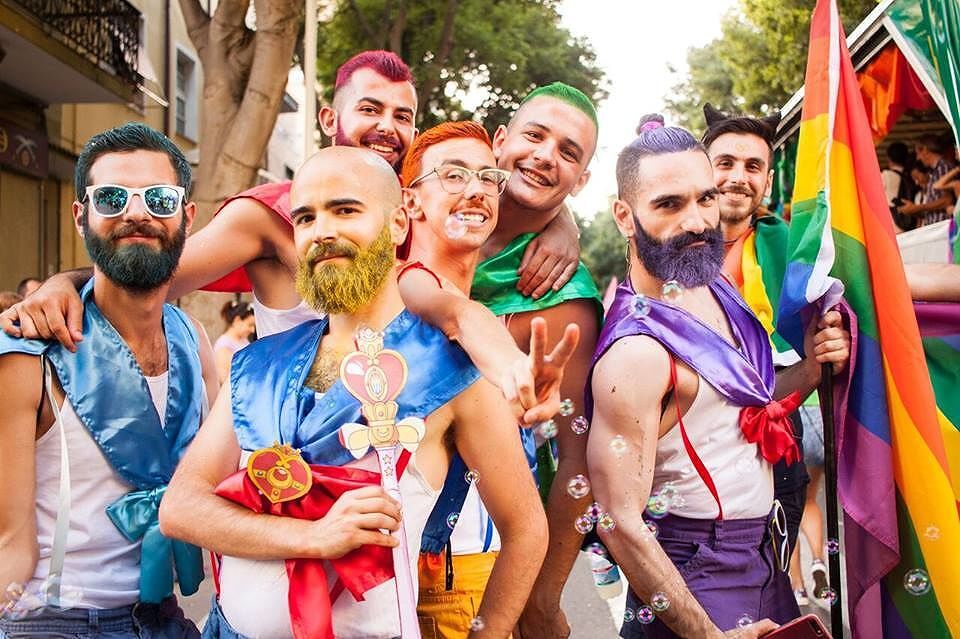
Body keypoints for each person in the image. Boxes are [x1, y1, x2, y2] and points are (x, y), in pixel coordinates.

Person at [0, 50, 576, 426]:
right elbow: (155, 272)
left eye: (404, 116)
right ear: (329, 119)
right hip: (288, 440)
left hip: (391, 441)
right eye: (370, 108)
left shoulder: (404, 216)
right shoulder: (269, 214)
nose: (387, 127)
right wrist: (62, 282)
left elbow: (478, 221)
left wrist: (561, 218)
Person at [158, 146, 547, 639]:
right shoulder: (257, 364)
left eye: (345, 210)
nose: (322, 231)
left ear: (399, 222)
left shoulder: (451, 372)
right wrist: (314, 537)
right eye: (305, 218)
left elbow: (526, 528)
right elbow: (181, 508)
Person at [585, 115, 849, 638]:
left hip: (763, 555)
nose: (698, 221)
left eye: (704, 198)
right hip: (692, 573)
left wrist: (813, 368)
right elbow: (619, 520)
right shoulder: (635, 354)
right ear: (624, 215)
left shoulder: (712, 287)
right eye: (669, 204)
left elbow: (748, 404)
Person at [0, 122, 218, 638]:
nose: (137, 213)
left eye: (159, 199)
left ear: (187, 217)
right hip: (55, 619)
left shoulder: (194, 341)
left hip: (165, 616)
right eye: (113, 197)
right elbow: (11, 540)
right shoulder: (28, 353)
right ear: (82, 216)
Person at [394, 121, 579, 637]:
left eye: (487, 177)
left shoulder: (479, 301)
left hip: (477, 571)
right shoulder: (409, 284)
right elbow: (458, 315)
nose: (476, 188)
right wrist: (515, 370)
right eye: (453, 175)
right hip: (426, 585)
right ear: (410, 204)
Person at [468, 82, 605, 637]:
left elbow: (578, 459)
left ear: (582, 181)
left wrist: (540, 598)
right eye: (534, 135)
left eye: (569, 152)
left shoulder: (566, 300)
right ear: (498, 141)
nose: (547, 155)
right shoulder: (424, 220)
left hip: (483, 541)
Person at [897, 134, 955, 227]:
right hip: (936, 228)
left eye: (918, 153)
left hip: (942, 229)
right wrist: (913, 210)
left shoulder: (943, 167)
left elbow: (947, 200)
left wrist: (917, 207)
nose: (918, 158)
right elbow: (935, 208)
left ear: (925, 150)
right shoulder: (936, 171)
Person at [213, 300, 255, 383]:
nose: (253, 330)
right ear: (237, 320)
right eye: (250, 325)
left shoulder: (244, 340)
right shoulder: (223, 346)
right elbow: (224, 380)